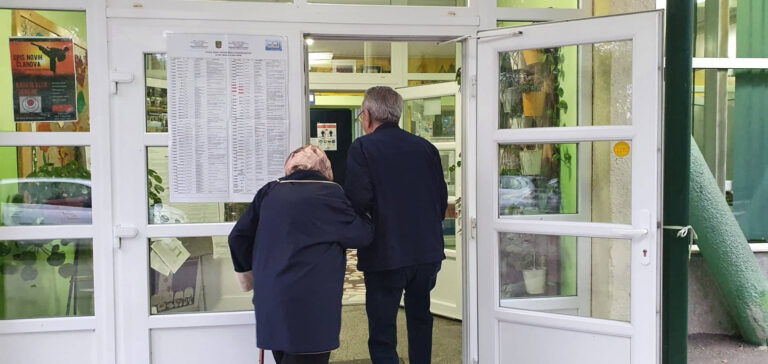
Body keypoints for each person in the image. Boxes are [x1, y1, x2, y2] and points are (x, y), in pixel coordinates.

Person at [229, 145, 373, 364]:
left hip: (272, 299)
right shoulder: (331, 193)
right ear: (324, 167)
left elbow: (237, 237)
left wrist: (251, 277)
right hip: (311, 303)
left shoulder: (269, 191)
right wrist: (368, 214)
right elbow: (360, 236)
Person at [345, 86, 448, 364]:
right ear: (397, 115)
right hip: (426, 253)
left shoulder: (363, 148)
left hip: (385, 254)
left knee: (382, 331)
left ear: (366, 116)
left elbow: (357, 200)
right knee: (420, 320)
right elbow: (441, 200)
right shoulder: (426, 148)